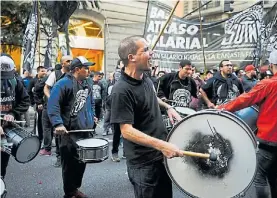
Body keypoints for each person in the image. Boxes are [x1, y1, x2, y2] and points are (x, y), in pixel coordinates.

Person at [110, 36, 184, 198]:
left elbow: (150, 96)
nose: (152, 53)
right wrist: (162, 145)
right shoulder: (121, 90)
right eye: (146, 50)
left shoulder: (145, 79)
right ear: (132, 58)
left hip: (160, 156)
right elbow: (126, 131)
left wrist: (168, 107)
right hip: (143, 163)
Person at [216, 50, 277, 198]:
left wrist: (222, 108)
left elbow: (245, 99)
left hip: (269, 140)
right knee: (274, 175)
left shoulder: (269, 84)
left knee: (259, 177)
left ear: (272, 65)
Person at [47, 56, 96, 198]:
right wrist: (58, 124)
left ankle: (75, 189)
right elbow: (53, 104)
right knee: (69, 164)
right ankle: (69, 193)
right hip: (68, 132)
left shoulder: (87, 83)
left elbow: (90, 102)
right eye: (85, 68)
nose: (88, 70)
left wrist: (92, 116)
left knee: (82, 162)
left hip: (85, 130)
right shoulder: (62, 84)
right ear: (76, 69)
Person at [0, 53, 30, 178]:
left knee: (2, 163)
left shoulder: (16, 81)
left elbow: (25, 100)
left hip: (8, 128)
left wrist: (13, 113)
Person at [40, 55, 72, 168]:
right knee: (55, 130)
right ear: (62, 63)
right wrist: (51, 98)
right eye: (68, 61)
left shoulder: (73, 75)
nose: (70, 62)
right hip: (54, 107)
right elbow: (46, 88)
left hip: (66, 109)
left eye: (71, 60)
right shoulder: (55, 74)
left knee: (64, 133)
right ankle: (58, 156)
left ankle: (66, 155)